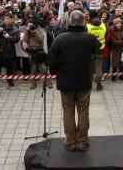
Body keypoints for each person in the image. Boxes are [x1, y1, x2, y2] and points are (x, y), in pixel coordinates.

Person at [49, 10, 100, 152]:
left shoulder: (60, 38)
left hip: (65, 81)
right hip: (84, 80)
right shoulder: (90, 38)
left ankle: (71, 141)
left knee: (68, 111)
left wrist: (55, 72)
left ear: (70, 21)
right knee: (83, 111)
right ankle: (82, 140)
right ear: (83, 21)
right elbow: (98, 50)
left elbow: (51, 60)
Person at [87, 10, 106, 90]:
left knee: (90, 67)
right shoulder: (102, 25)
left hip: (90, 49)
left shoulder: (88, 26)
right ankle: (98, 84)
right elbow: (105, 33)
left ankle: (89, 84)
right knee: (99, 67)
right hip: (100, 48)